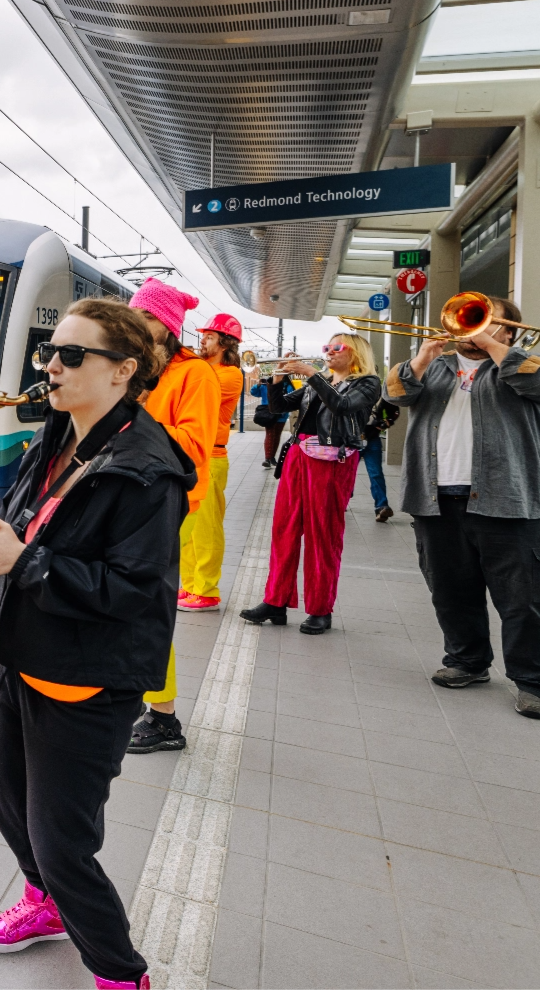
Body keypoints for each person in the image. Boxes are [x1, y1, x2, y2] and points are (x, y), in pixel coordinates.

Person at [0, 297, 191, 990]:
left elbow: (131, 590)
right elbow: (33, 523)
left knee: (63, 842)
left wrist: (22, 561)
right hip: (26, 657)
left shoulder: (150, 470)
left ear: (122, 371)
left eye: (69, 355)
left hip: (89, 676)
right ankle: (44, 907)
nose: (49, 367)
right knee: (6, 800)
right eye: (47, 352)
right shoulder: (59, 436)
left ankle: (121, 975)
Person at [382, 298, 540, 719]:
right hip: (436, 498)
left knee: (523, 600)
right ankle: (467, 661)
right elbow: (394, 395)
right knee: (450, 589)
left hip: (509, 502)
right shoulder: (438, 367)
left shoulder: (532, 364)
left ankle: (535, 683)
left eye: (485, 322)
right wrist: (424, 357)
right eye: (468, 321)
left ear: (509, 330)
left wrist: (491, 343)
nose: (470, 330)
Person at [125, 277, 218, 752]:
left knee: (151, 607)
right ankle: (140, 699)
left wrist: (135, 423)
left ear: (166, 325)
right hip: (133, 498)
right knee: (132, 602)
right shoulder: (141, 369)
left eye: (144, 318)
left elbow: (194, 444)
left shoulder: (195, 374)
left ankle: (164, 718)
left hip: (169, 500)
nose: (135, 324)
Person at [240, 335, 380, 634]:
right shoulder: (321, 381)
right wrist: (278, 377)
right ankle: (275, 601)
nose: (328, 352)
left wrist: (311, 374)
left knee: (323, 535)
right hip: (298, 457)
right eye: (326, 347)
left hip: (332, 462)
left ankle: (320, 609)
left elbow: (342, 405)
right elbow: (278, 407)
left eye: (336, 348)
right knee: (284, 529)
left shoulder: (367, 383)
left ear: (356, 353)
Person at [178, 313, 246, 611]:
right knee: (188, 526)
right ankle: (191, 584)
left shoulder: (230, 374)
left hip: (212, 455)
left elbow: (191, 396)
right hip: (190, 455)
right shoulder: (202, 368)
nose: (201, 339)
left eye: (208, 335)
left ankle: (207, 591)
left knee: (207, 527)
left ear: (225, 341)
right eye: (203, 334)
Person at [251, 370, 298, 467]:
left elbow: (292, 398)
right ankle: (268, 458)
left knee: (275, 435)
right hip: (273, 414)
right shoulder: (268, 384)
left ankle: (270, 458)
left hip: (279, 415)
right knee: (272, 435)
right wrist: (258, 384)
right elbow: (254, 392)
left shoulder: (277, 385)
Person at [363, 400, 399, 523]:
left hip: (372, 438)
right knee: (346, 475)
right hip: (350, 440)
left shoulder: (379, 395)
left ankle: (382, 507)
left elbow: (394, 409)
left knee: (376, 473)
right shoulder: (348, 388)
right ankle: (342, 501)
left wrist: (387, 422)